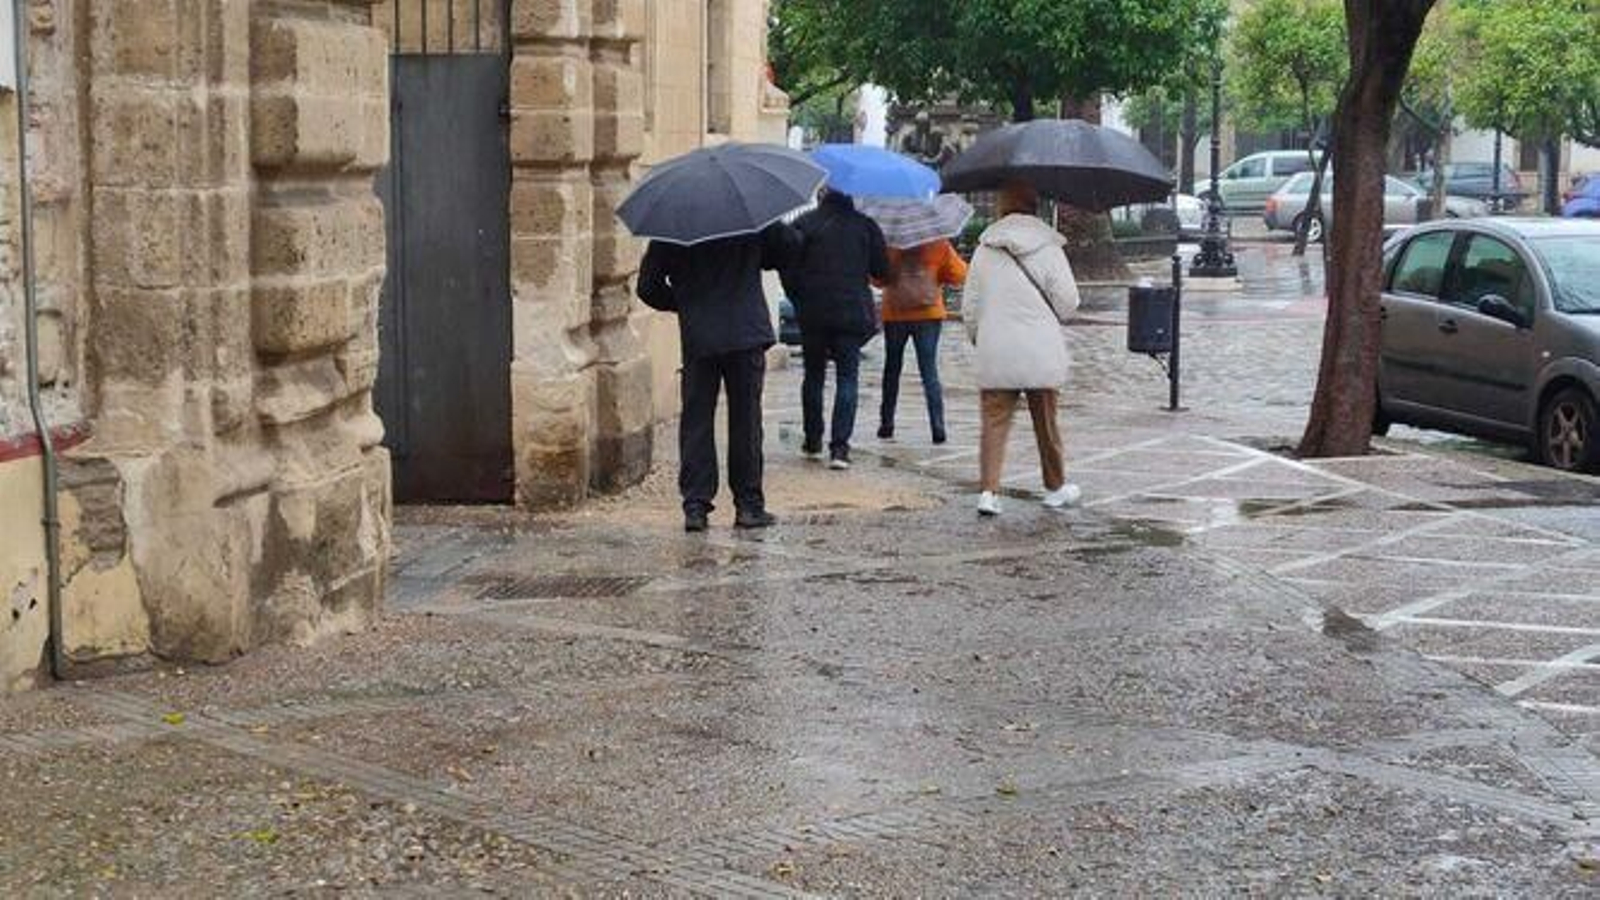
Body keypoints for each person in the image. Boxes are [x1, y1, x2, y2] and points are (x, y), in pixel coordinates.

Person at [637, 222, 803, 533]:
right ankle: (749, 506)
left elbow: (648, 286)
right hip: (746, 332)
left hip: (700, 334)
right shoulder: (750, 219)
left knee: (697, 420)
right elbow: (790, 248)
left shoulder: (674, 225)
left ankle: (696, 506)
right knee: (747, 422)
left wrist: (685, 303)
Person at [962, 182, 1082, 517]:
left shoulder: (986, 248)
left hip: (997, 346)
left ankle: (988, 491)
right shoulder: (1048, 247)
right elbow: (1069, 301)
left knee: (994, 422)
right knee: (1046, 422)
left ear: (1001, 208)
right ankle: (1055, 487)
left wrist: (979, 336)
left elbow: (970, 305)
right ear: (1035, 207)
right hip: (1039, 348)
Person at [780, 189, 890, 470]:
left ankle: (813, 439)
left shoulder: (804, 223)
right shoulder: (865, 226)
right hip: (851, 312)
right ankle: (840, 448)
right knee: (847, 377)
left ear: (822, 194)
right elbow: (882, 271)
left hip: (813, 311)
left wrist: (798, 297)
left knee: (813, 374)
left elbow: (786, 266)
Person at [875, 238, 967, 444]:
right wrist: (936, 274)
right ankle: (937, 426)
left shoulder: (891, 245)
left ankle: (886, 424)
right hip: (928, 313)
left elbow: (877, 278)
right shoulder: (938, 244)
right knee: (929, 371)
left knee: (892, 369)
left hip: (895, 313)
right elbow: (959, 274)